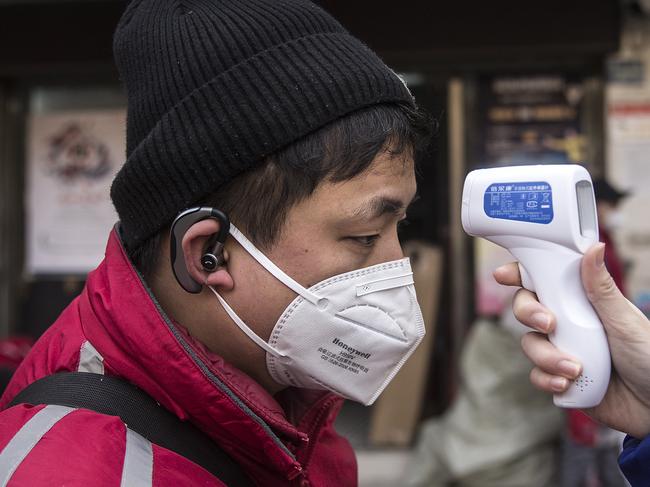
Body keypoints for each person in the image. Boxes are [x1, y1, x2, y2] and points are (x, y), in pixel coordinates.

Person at [0, 1, 431, 485]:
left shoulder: (289, 408)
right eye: (364, 237)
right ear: (206, 254)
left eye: (399, 229)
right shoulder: (69, 470)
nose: (398, 266)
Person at [494, 242, 650, 486]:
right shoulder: (592, 243)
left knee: (591, 462)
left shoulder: (592, 246)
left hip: (597, 401)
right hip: (594, 405)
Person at [562, 178, 630, 487]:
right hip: (593, 343)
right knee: (585, 434)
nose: (614, 211)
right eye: (611, 204)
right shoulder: (590, 243)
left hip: (609, 342)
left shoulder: (602, 237)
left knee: (606, 443)